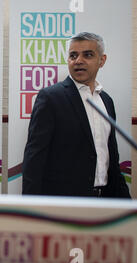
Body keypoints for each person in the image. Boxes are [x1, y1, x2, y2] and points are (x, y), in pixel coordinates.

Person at [22, 32, 130, 199]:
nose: (78, 61)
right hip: (65, 204)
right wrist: (31, 209)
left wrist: (127, 205)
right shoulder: (51, 98)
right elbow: (34, 160)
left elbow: (111, 160)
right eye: (73, 55)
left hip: (105, 201)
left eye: (87, 55)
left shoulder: (106, 101)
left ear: (102, 60)